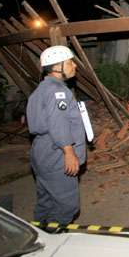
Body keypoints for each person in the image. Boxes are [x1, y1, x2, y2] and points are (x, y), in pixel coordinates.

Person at [26, 45, 86, 227]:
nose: (74, 66)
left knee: (46, 200)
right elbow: (58, 123)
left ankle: (39, 234)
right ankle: (54, 239)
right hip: (56, 153)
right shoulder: (57, 91)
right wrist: (68, 151)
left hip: (42, 151)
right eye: (70, 62)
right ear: (56, 67)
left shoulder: (41, 89)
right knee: (67, 205)